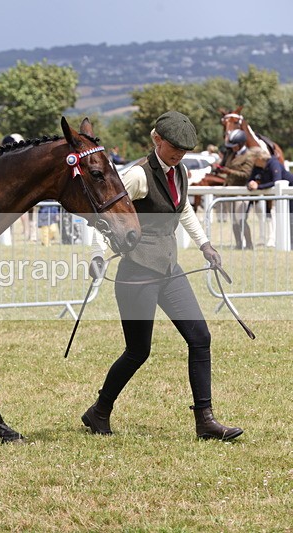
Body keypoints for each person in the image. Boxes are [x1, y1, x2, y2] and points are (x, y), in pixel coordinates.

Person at [83, 111, 242, 441]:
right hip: (136, 272)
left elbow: (183, 209)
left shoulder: (181, 171)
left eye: (184, 150)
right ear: (157, 140)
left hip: (170, 270)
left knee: (200, 338)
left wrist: (205, 245)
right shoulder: (137, 176)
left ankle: (205, 421)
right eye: (175, 148)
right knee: (138, 352)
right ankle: (99, 411)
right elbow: (104, 212)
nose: (180, 155)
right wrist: (97, 253)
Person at [248, 150, 293, 248]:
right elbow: (251, 179)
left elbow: (276, 181)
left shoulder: (274, 163)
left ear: (259, 158)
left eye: (253, 159)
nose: (252, 162)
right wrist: (250, 184)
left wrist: (258, 187)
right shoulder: (257, 167)